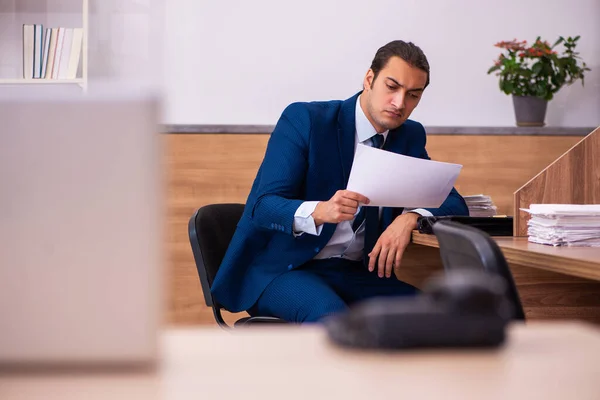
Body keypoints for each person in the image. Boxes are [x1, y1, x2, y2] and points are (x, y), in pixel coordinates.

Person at [211, 40, 469, 323]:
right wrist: (319, 212)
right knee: (336, 321)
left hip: (353, 274)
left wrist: (409, 219)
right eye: (392, 87)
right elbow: (263, 206)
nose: (399, 103)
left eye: (413, 95)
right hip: (282, 271)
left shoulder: (409, 136)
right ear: (369, 79)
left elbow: (453, 201)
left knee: (439, 317)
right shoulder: (306, 120)